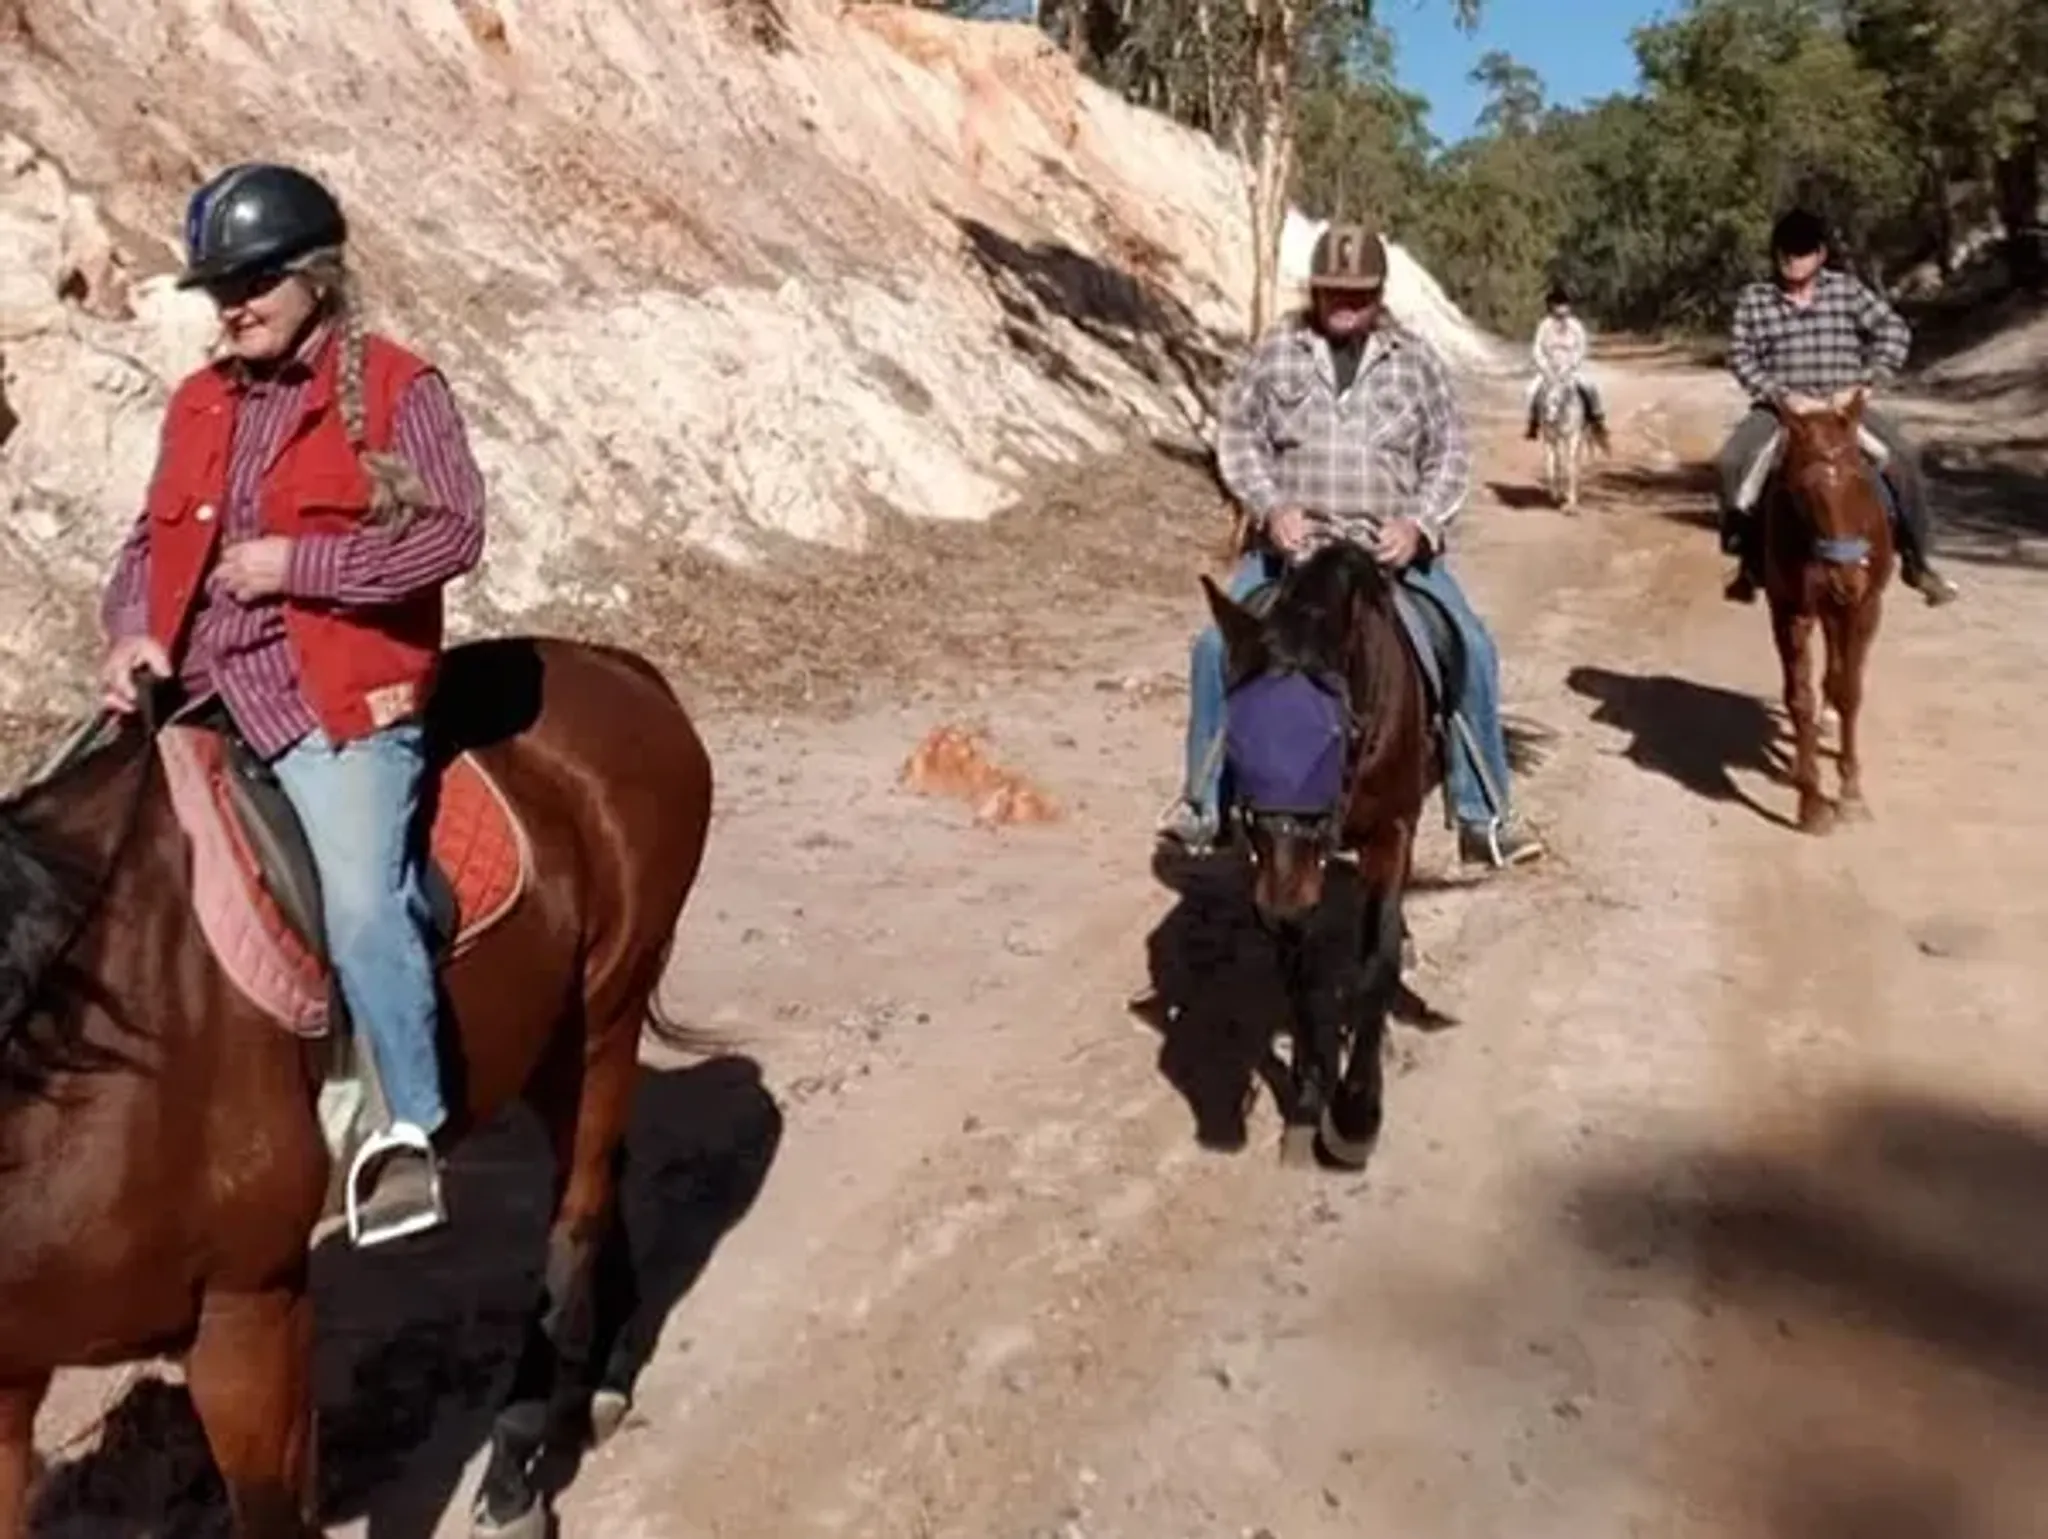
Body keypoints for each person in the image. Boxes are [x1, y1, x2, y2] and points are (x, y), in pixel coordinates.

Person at [97, 162, 487, 1248]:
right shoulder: (199, 399)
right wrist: (131, 626)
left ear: (317, 276)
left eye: (255, 279)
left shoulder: (401, 391)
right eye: (219, 286)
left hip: (334, 701)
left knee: (364, 907)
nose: (234, 304)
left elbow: (453, 534)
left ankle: (409, 1128)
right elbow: (147, 543)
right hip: (196, 688)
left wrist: (300, 566)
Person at [1157, 223, 1545, 871]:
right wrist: (1270, 506)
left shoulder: (1415, 360)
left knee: (1472, 646)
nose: (1345, 302)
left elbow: (1448, 453)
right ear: (1315, 290)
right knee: (1212, 649)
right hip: (1296, 553)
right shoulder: (1276, 351)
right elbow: (1239, 440)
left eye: (1359, 293)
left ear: (1378, 294)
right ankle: (1204, 804)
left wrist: (1418, 523)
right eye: (1333, 290)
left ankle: (1486, 813)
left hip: (1385, 554)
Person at [1715, 208, 1959, 606]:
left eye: (1802, 253)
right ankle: (1747, 561)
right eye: (1785, 254)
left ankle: (1918, 562)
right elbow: (1741, 357)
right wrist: (1780, 394)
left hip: (1843, 409)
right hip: (1784, 410)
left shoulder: (1845, 290)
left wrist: (1866, 381)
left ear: (1821, 254)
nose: (1792, 262)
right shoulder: (1755, 299)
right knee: (1731, 461)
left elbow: (1893, 330)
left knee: (1903, 458)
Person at [1523, 283, 1607, 440]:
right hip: (1549, 371)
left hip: (1570, 370)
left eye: (1564, 304)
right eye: (1557, 304)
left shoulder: (1575, 326)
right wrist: (1544, 367)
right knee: (1530, 391)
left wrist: (1571, 365)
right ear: (1551, 306)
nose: (1561, 308)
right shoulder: (1544, 326)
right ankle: (1533, 424)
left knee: (1591, 387)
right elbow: (1537, 349)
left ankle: (1596, 418)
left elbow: (1581, 347)